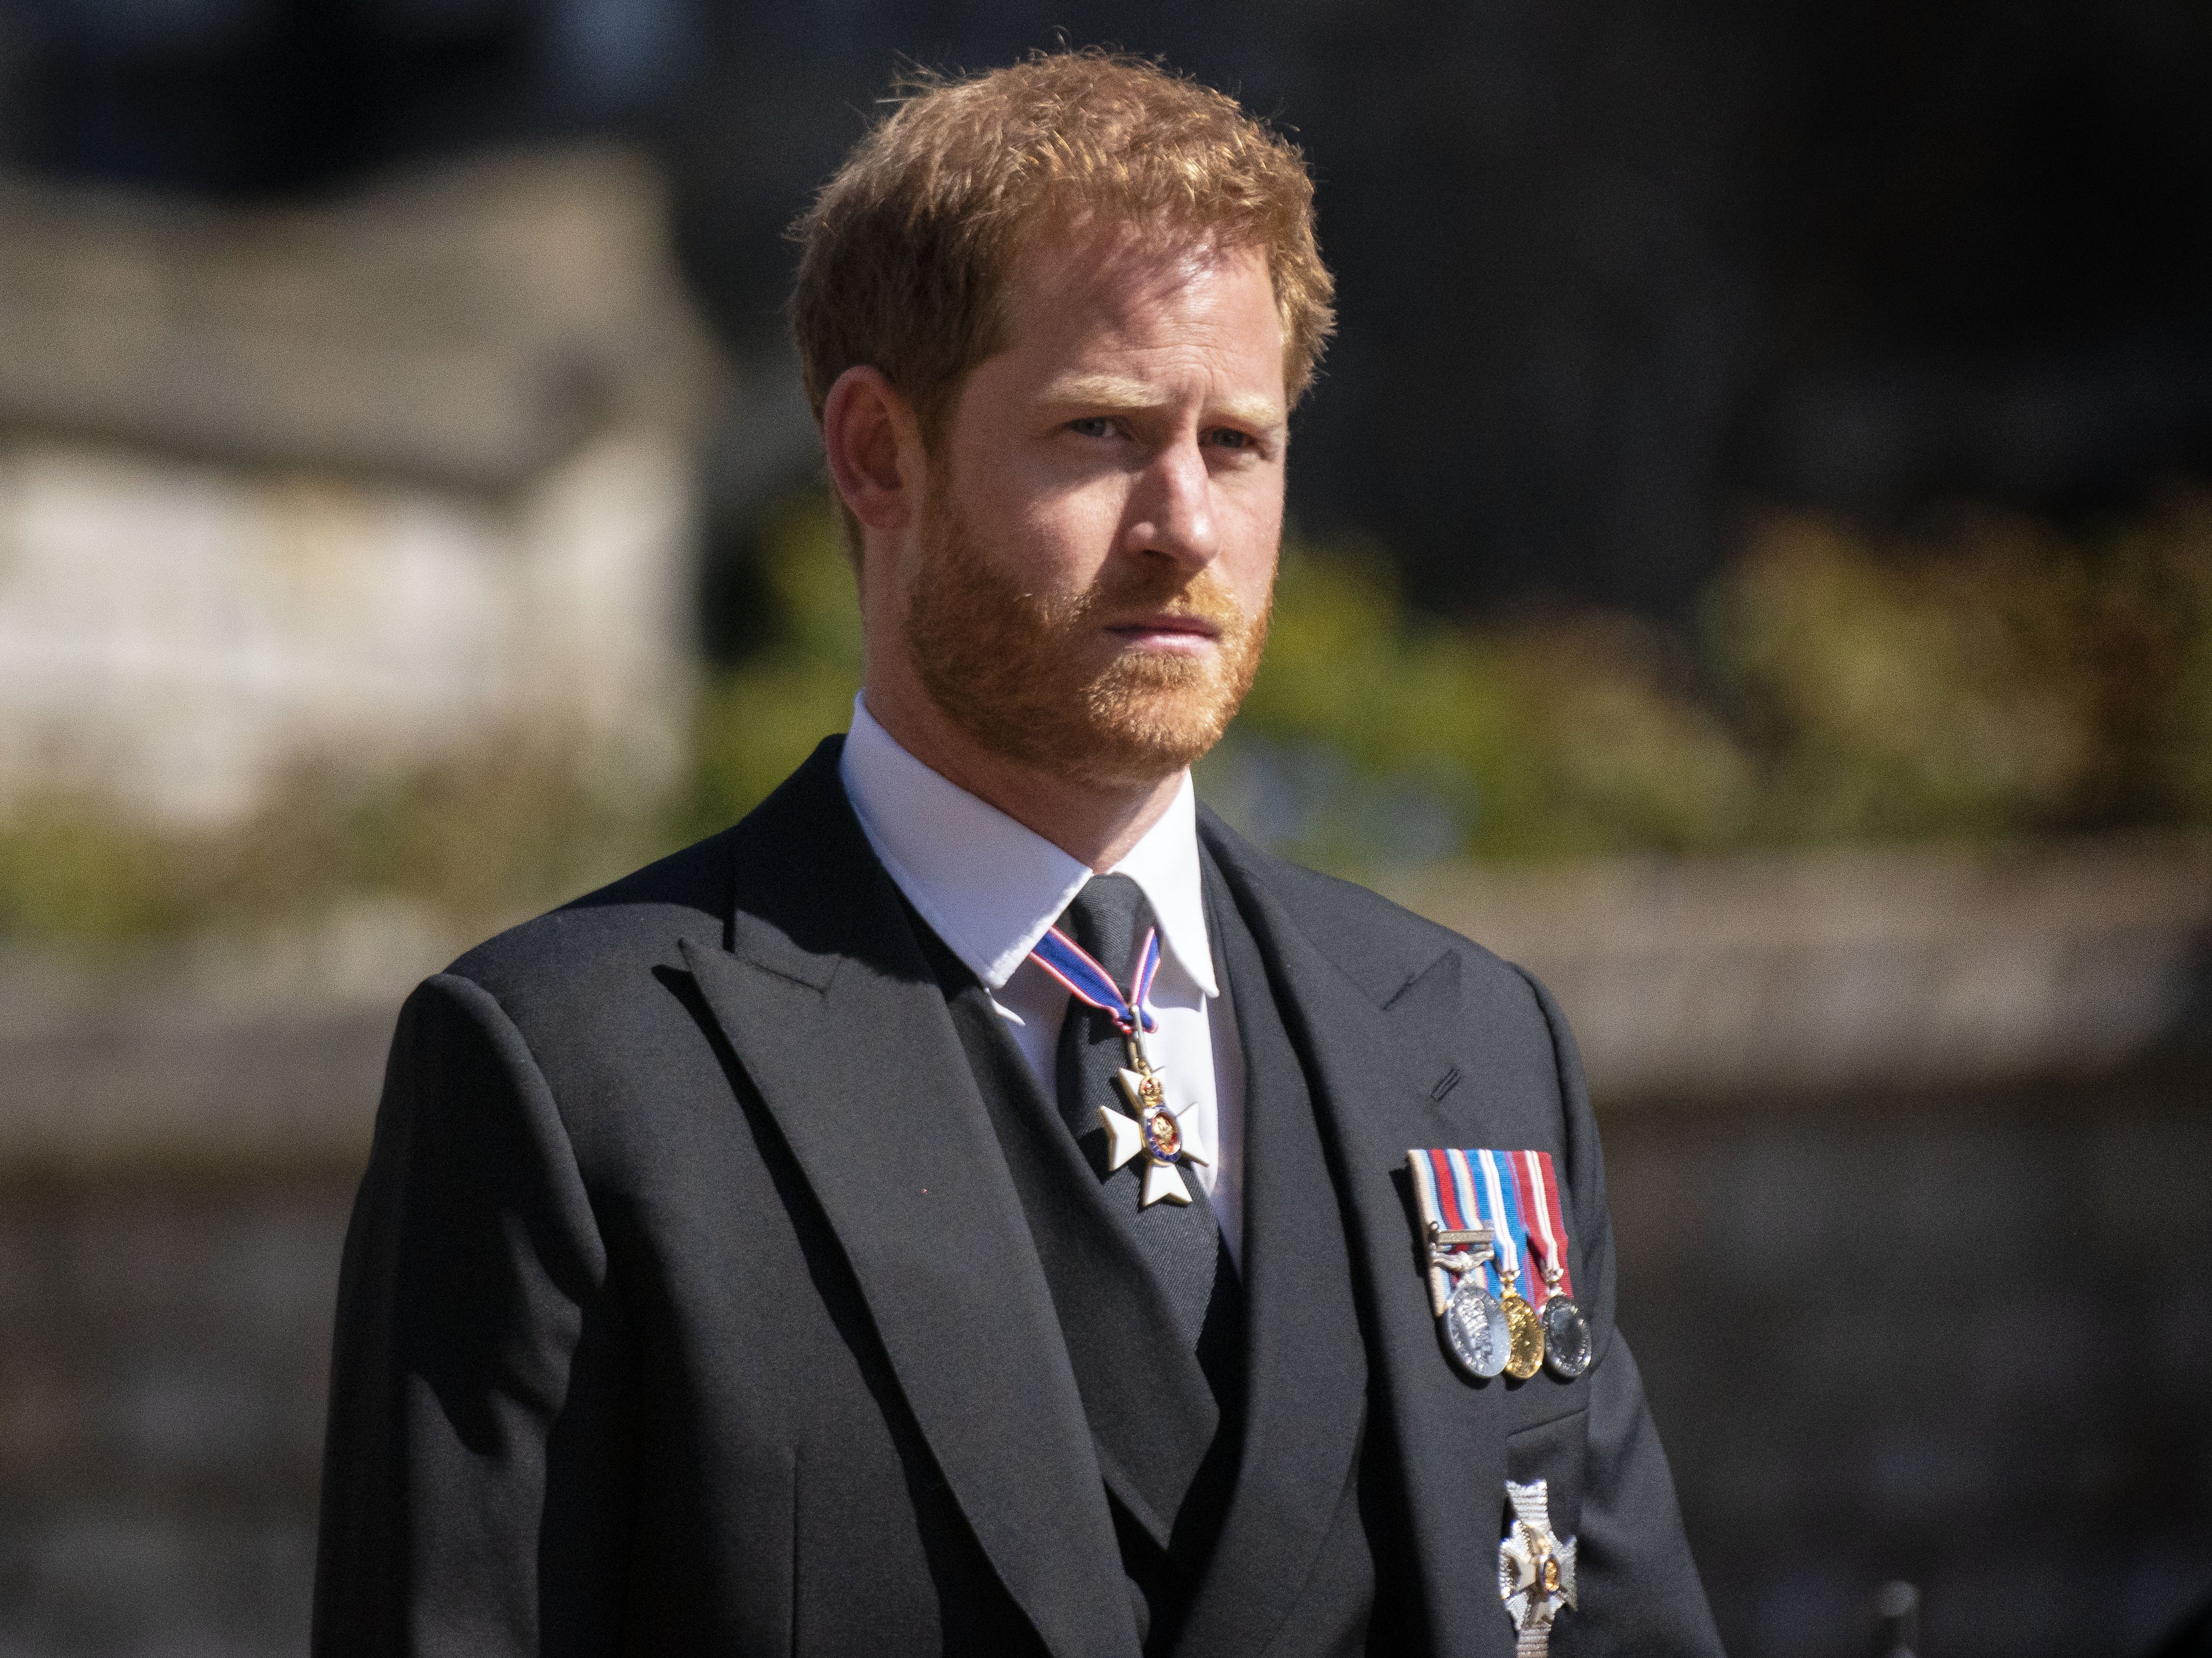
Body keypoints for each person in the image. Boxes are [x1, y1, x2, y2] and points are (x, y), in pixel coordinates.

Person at [313, 50, 1722, 1658]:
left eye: (1239, 444)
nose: (1186, 523)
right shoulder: (578, 1077)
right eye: (1103, 430)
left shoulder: (1475, 1048)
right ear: (875, 454)